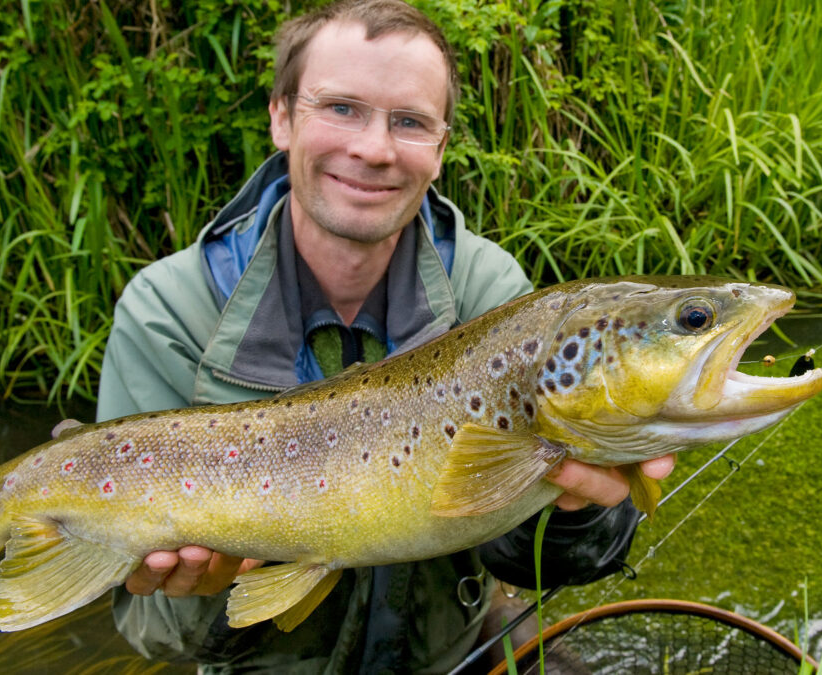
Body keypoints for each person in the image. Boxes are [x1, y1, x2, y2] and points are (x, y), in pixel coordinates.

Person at [95, 1, 674, 672]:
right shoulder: (169, 311)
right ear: (282, 117)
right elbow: (151, 628)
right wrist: (207, 587)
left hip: (450, 651)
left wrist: (579, 515)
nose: (373, 148)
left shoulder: (492, 297)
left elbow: (525, 552)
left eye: (408, 121)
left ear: (441, 147)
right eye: (342, 108)